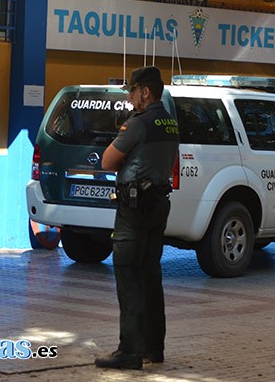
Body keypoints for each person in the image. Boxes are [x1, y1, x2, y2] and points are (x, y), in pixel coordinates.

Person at [95, 66, 180, 370]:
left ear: (145, 92)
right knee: (150, 276)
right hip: (158, 205)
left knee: (129, 276)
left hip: (133, 209)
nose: (130, 97)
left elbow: (107, 161)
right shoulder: (171, 124)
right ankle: (153, 348)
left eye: (132, 91)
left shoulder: (138, 124)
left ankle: (129, 351)